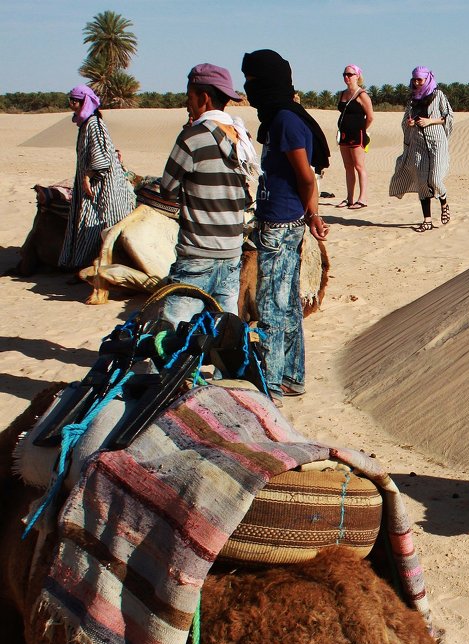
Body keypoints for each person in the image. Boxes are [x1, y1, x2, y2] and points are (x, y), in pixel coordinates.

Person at [240, 49, 330, 405]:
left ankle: (271, 385)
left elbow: (306, 176)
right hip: (284, 220)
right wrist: (310, 216)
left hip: (279, 224)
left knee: (272, 305)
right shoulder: (281, 118)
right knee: (288, 303)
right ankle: (292, 376)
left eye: (253, 80)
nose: (248, 86)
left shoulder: (285, 122)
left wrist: (311, 214)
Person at [158, 63, 259, 325]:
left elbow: (167, 189)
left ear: (203, 97)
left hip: (197, 253)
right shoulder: (241, 138)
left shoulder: (191, 137)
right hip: (231, 251)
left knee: (174, 331)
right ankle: (222, 368)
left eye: (190, 97)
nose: (187, 104)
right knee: (225, 331)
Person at [58, 85, 136, 270]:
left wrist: (87, 177)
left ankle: (93, 265)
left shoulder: (94, 123)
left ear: (84, 102)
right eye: (71, 101)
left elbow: (101, 158)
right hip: (91, 181)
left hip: (101, 184)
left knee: (97, 222)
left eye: (75, 101)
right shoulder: (87, 123)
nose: (72, 105)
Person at [389, 66, 454, 232]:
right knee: (421, 180)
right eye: (414, 80)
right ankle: (427, 219)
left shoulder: (438, 95)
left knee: (434, 178)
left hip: (436, 142)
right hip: (418, 143)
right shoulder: (412, 99)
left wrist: (429, 121)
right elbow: (405, 120)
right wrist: (409, 124)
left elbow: (448, 116)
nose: (417, 83)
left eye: (420, 80)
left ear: (427, 79)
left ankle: (444, 202)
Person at [335, 64, 373, 210]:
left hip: (357, 134)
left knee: (359, 165)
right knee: (348, 166)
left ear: (357, 76)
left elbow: (370, 117)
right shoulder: (342, 94)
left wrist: (361, 130)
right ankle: (349, 198)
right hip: (343, 134)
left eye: (350, 74)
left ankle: (362, 198)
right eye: (344, 74)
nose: (346, 77)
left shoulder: (362, 95)